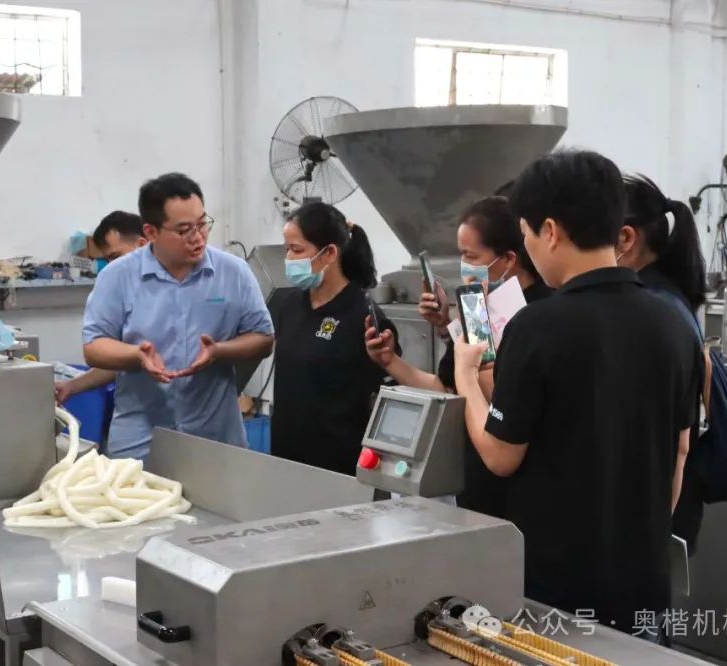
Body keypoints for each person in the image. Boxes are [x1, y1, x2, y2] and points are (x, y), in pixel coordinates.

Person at [451, 150, 702, 636]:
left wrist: (466, 375)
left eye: (525, 235)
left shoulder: (537, 326)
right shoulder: (674, 322)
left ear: (549, 231)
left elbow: (501, 455)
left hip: (556, 592)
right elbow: (681, 446)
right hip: (643, 582)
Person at [364, 196, 551, 516]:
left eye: (470, 256)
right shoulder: (478, 307)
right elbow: (448, 390)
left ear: (508, 259)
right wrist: (391, 361)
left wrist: (473, 349)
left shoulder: (536, 315)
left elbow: (500, 398)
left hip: (518, 484)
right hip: (472, 476)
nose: (464, 267)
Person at [82, 173, 274, 460]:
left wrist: (220, 351)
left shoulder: (233, 272)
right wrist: (136, 355)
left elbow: (263, 338)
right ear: (151, 232)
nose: (198, 237)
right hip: (141, 442)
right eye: (184, 230)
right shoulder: (117, 277)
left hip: (217, 440)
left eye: (202, 224)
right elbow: (94, 346)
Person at [616, 174, 708, 556]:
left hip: (657, 507)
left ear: (626, 239)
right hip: (661, 503)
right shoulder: (664, 297)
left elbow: (677, 442)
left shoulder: (650, 309)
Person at [271, 202, 397, 476]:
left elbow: (385, 400)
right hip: (285, 460)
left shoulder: (363, 315)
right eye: (286, 250)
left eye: (297, 250)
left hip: (337, 466)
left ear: (329, 253)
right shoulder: (290, 305)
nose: (289, 259)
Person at [55, 211, 147, 404]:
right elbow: (114, 362)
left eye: (116, 256)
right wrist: (72, 386)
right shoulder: (117, 290)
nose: (111, 266)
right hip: (138, 412)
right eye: (108, 260)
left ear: (143, 244)